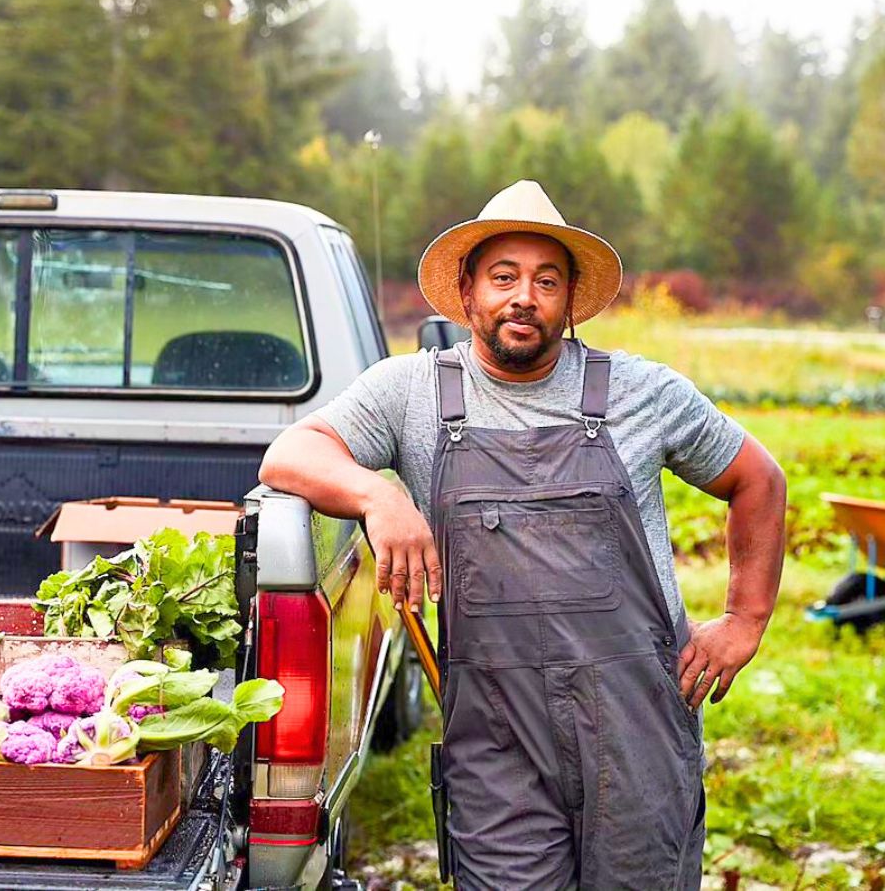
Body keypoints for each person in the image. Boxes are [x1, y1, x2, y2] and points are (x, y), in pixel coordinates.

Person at [259, 180, 787, 889]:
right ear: (468, 290)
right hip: (497, 745)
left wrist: (744, 618)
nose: (524, 297)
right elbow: (291, 453)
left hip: (636, 734)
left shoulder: (642, 393)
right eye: (504, 277)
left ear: (570, 300)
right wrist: (376, 493)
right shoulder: (410, 392)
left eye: (546, 280)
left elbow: (759, 481)